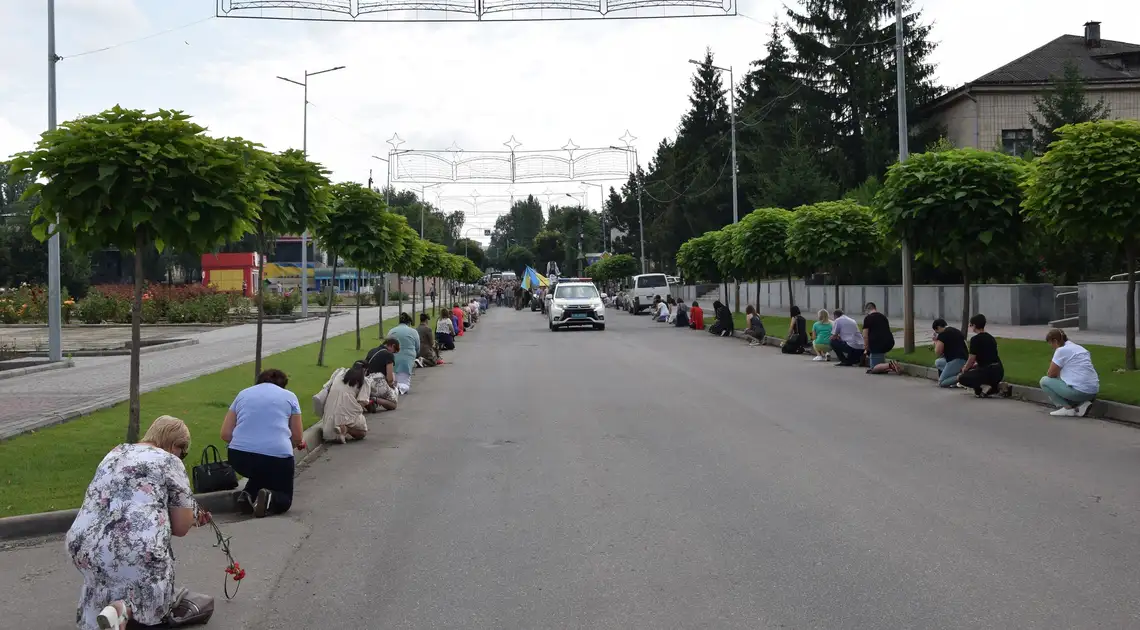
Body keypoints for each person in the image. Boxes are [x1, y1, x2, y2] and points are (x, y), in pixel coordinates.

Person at [67, 416, 211, 630]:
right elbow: (180, 527)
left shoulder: (115, 453)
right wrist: (192, 519)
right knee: (154, 594)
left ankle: (112, 614)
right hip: (133, 546)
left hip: (81, 543)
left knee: (106, 581)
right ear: (174, 445)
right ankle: (125, 609)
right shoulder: (169, 460)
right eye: (184, 451)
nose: (183, 457)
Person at [223, 369, 303, 517]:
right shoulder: (290, 397)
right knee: (285, 497)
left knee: (260, 470)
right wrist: (282, 446)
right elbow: (297, 437)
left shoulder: (243, 394)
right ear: (283, 385)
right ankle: (270, 499)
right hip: (275, 457)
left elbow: (225, 434)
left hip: (239, 457)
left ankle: (248, 495)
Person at [1040, 328, 1099, 417]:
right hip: (1093, 391)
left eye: (1051, 343)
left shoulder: (1061, 350)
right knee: (1066, 381)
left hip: (1079, 392)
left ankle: (1067, 409)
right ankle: (1082, 404)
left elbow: (1050, 374)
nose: (1051, 347)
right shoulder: (1079, 348)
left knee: (1044, 381)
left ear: (1055, 341)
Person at [318, 361, 370, 443]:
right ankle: (345, 429)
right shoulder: (364, 381)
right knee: (362, 432)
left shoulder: (339, 373)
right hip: (345, 414)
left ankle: (341, 429)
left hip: (329, 418)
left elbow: (326, 388)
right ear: (365, 371)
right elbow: (363, 402)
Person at [957, 313, 1004, 398]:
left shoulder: (975, 339)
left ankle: (985, 387)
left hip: (987, 371)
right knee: (977, 382)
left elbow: (971, 358)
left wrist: (965, 368)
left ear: (974, 325)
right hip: (999, 370)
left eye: (971, 325)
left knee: (962, 378)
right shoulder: (991, 338)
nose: (971, 327)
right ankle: (993, 387)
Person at [387, 312, 420, 395]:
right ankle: (398, 388)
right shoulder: (413, 331)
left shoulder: (391, 331)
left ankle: (394, 387)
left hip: (393, 358)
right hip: (408, 358)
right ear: (409, 323)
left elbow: (387, 345)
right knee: (405, 383)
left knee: (395, 377)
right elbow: (417, 346)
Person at [862, 302, 900, 374]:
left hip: (876, 344)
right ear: (875, 308)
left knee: (873, 369)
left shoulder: (868, 318)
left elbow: (865, 335)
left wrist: (866, 348)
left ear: (867, 310)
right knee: (879, 360)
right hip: (889, 342)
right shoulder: (883, 317)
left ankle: (890, 365)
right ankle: (886, 367)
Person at [364, 338, 399, 412]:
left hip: (367, 383)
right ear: (392, 346)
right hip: (377, 383)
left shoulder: (371, 351)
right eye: (394, 351)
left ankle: (369, 401)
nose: (393, 353)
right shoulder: (389, 355)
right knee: (393, 404)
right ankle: (374, 400)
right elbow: (390, 378)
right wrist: (392, 386)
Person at [932, 318, 969, 388]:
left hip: (955, 360)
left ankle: (961, 377)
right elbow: (966, 345)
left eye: (937, 332)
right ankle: (953, 377)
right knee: (938, 362)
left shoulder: (942, 334)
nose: (937, 333)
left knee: (941, 382)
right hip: (964, 359)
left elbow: (938, 352)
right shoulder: (957, 331)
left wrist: (936, 341)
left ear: (938, 327)